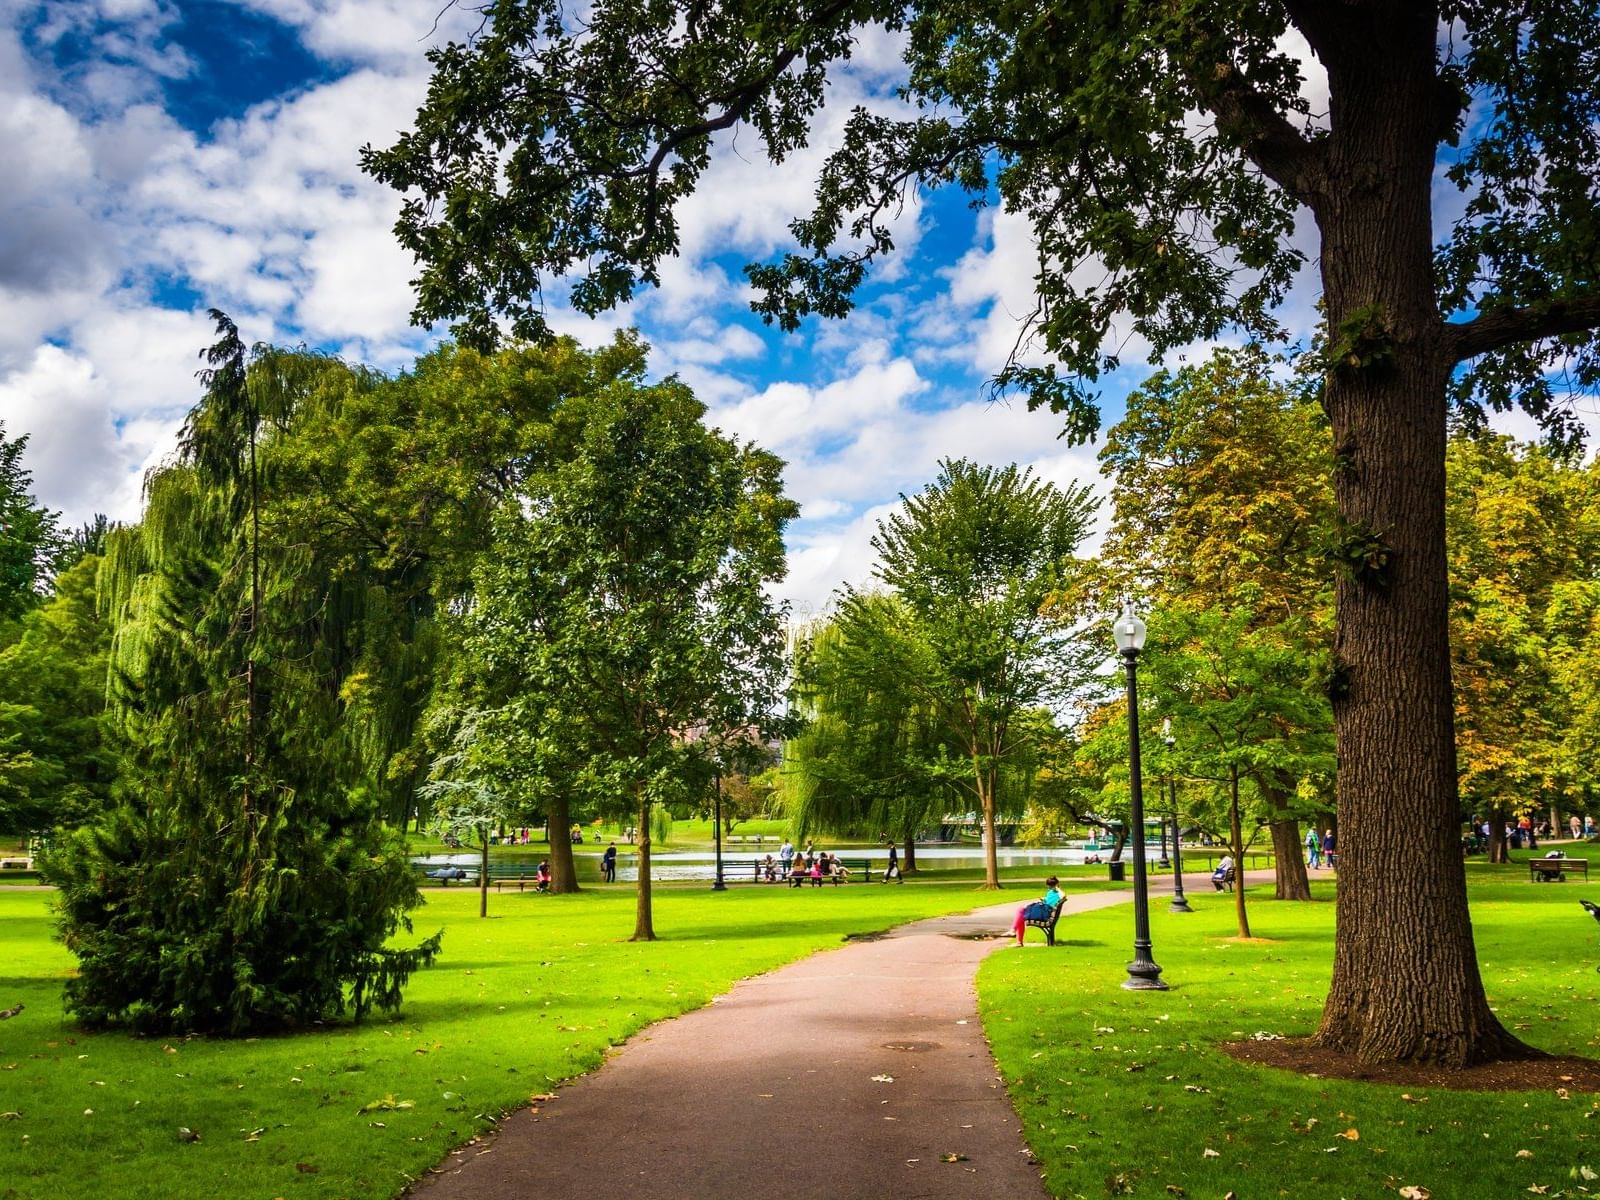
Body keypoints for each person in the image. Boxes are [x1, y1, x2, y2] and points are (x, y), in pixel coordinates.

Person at [1012, 876, 1064, 945]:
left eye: (1050, 886)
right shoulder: (1052, 893)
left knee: (1020, 912)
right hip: (1045, 912)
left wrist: (1058, 889)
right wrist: (1044, 899)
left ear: (1056, 885)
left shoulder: (1059, 893)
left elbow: (1063, 896)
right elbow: (1050, 901)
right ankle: (1016, 936)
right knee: (1021, 912)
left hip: (1044, 914)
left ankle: (1014, 932)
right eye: (1048, 886)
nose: (1049, 888)